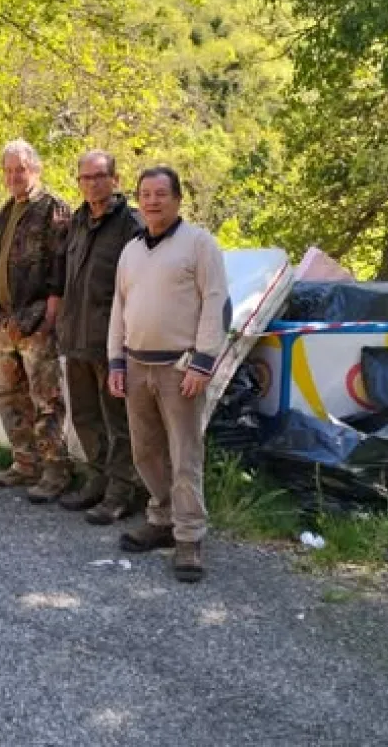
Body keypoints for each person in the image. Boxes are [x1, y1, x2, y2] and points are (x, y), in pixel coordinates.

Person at [107, 166, 230, 582]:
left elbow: (215, 303)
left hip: (180, 368)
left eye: (161, 193)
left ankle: (190, 536)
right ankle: (160, 520)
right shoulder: (132, 250)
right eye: (146, 194)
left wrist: (203, 360)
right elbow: (119, 310)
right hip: (137, 363)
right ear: (138, 200)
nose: (152, 201)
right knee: (146, 452)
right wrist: (116, 361)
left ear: (177, 199)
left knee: (184, 454)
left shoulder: (199, 244)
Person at [57, 150, 146, 524]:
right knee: (85, 416)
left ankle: (121, 492)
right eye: (85, 178)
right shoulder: (76, 221)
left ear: (116, 179)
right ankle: (96, 480)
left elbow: (140, 287)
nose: (91, 184)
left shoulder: (132, 225)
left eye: (98, 177)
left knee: (118, 421)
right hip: (75, 337)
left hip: (111, 343)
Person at [0, 139, 73, 503]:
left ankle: (56, 469)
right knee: (9, 395)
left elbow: (61, 265)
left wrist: (50, 314)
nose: (14, 176)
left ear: (36, 170)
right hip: (3, 320)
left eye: (21, 169)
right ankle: (24, 462)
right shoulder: (5, 212)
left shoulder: (53, 209)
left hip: (37, 320)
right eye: (9, 170)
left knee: (46, 398)